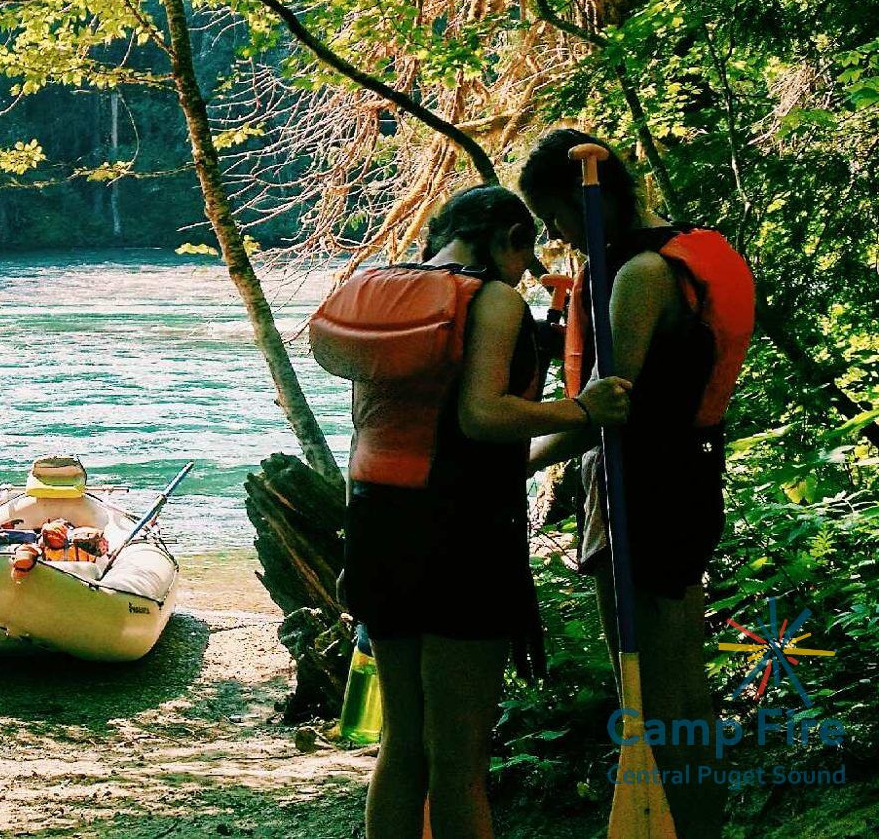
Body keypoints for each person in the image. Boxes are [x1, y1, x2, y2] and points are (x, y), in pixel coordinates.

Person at [312, 185, 631, 839]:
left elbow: (384, 432)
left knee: (403, 744)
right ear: (508, 238)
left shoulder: (384, 291)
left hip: (377, 528)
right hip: (461, 537)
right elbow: (481, 416)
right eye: (524, 257)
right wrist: (583, 409)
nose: (524, 274)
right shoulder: (492, 299)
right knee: (459, 760)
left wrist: (554, 437)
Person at [519, 129, 754, 838]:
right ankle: (694, 828)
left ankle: (682, 826)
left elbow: (603, 406)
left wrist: (511, 458)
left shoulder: (642, 276)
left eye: (555, 216)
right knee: (673, 681)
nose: (556, 235)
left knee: (657, 691)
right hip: (681, 479)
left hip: (645, 490)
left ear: (584, 201)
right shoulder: (667, 256)